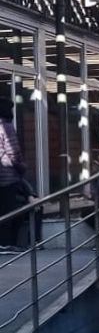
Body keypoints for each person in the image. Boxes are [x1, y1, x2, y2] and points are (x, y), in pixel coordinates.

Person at [0, 98, 25, 250]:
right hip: (7, 176)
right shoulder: (6, 127)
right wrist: (21, 166)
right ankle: (7, 243)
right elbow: (13, 152)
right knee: (10, 210)